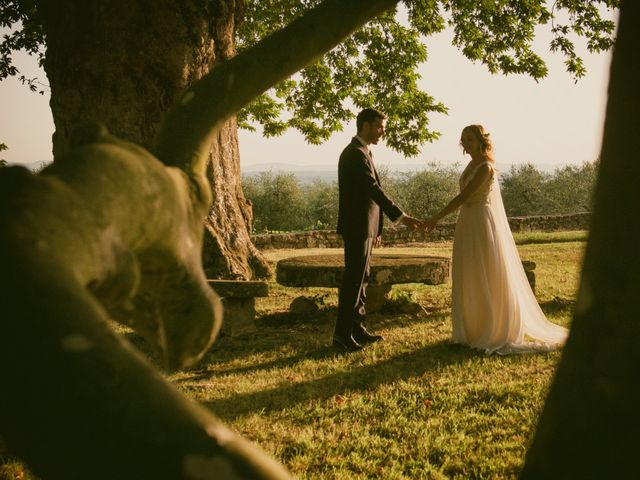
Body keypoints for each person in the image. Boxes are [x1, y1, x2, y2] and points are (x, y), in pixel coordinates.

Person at [424, 124, 568, 354]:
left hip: (481, 222)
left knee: (486, 270)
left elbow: (464, 196)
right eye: (463, 139)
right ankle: (470, 329)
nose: (466, 143)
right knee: (469, 271)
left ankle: (492, 328)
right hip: (467, 222)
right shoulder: (471, 164)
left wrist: (435, 219)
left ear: (481, 141)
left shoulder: (485, 167)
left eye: (470, 139)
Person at [334, 108, 421, 352]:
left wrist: (377, 230)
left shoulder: (363, 151)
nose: (383, 131)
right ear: (366, 125)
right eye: (380, 126)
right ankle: (341, 336)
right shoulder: (354, 154)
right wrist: (401, 217)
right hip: (356, 228)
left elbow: (367, 197)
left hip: (366, 228)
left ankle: (357, 329)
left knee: (362, 280)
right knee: (353, 281)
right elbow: (373, 190)